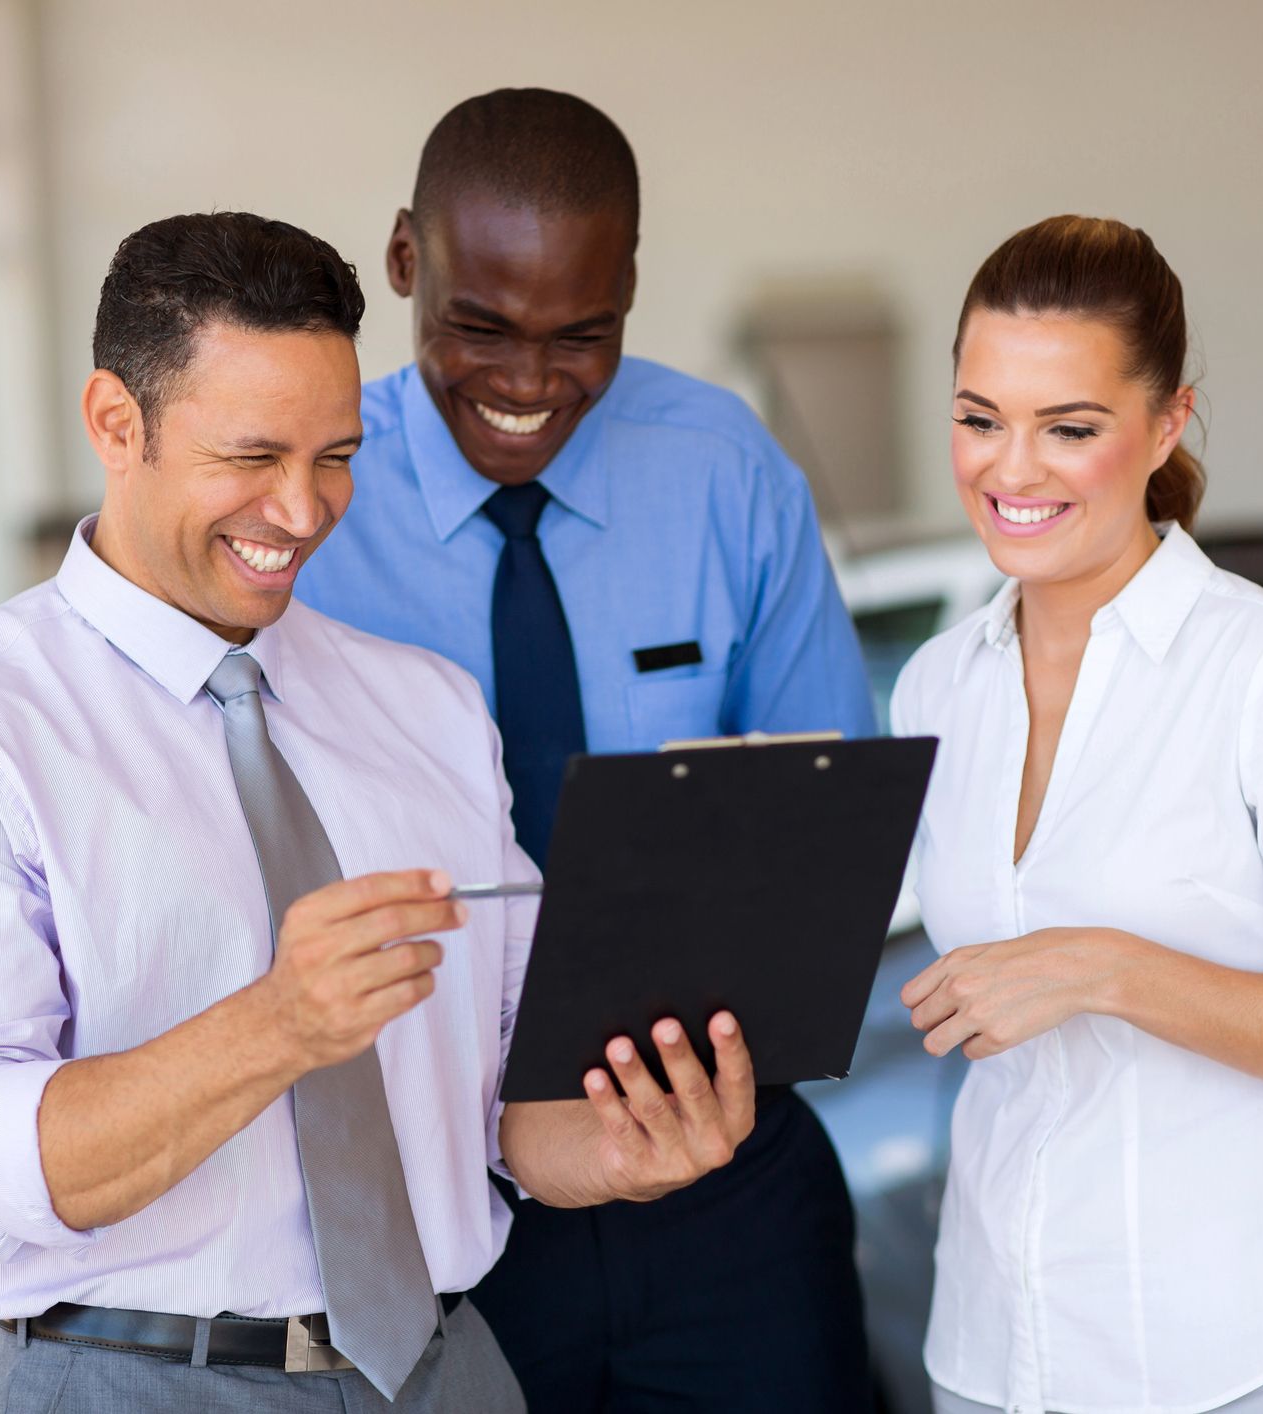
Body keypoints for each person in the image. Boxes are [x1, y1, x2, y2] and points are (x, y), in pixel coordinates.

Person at [0, 210, 760, 1414]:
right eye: (253, 456)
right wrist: (275, 1024)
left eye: (336, 455)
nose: (304, 510)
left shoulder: (425, 707)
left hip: (445, 1369)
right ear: (116, 422)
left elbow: (503, 1099)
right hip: (130, 1379)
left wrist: (618, 1153)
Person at [296, 89, 876, 1414]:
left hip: (718, 1162)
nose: (524, 381)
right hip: (443, 1199)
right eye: (478, 326)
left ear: (627, 290)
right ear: (403, 262)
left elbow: (824, 816)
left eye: (582, 334)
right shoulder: (314, 502)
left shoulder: (724, 470)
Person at [892, 215, 1263, 1414]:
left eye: (1071, 428)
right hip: (998, 1359)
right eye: (980, 416)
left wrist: (1107, 970)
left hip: (1253, 1361)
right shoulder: (938, 685)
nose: (1013, 468)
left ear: (1165, 423)